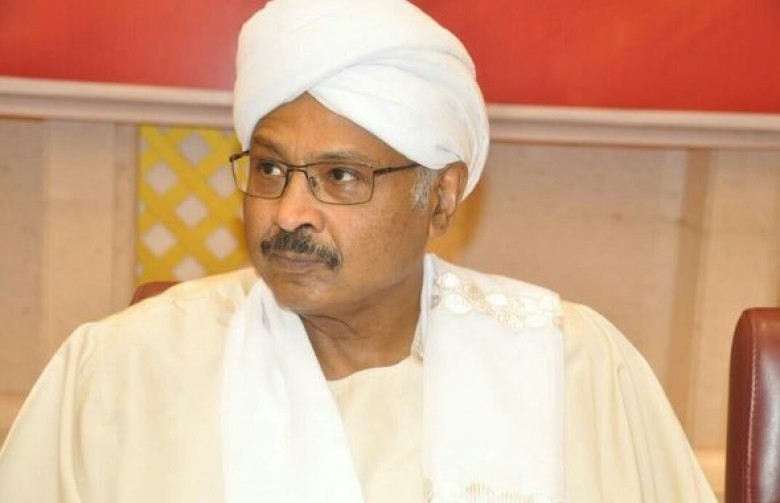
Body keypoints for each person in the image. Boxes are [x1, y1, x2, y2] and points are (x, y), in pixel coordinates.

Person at [0, 0, 716, 501]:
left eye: (341, 176)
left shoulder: (575, 366)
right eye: (270, 168)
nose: (288, 212)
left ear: (440, 197)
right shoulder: (121, 372)